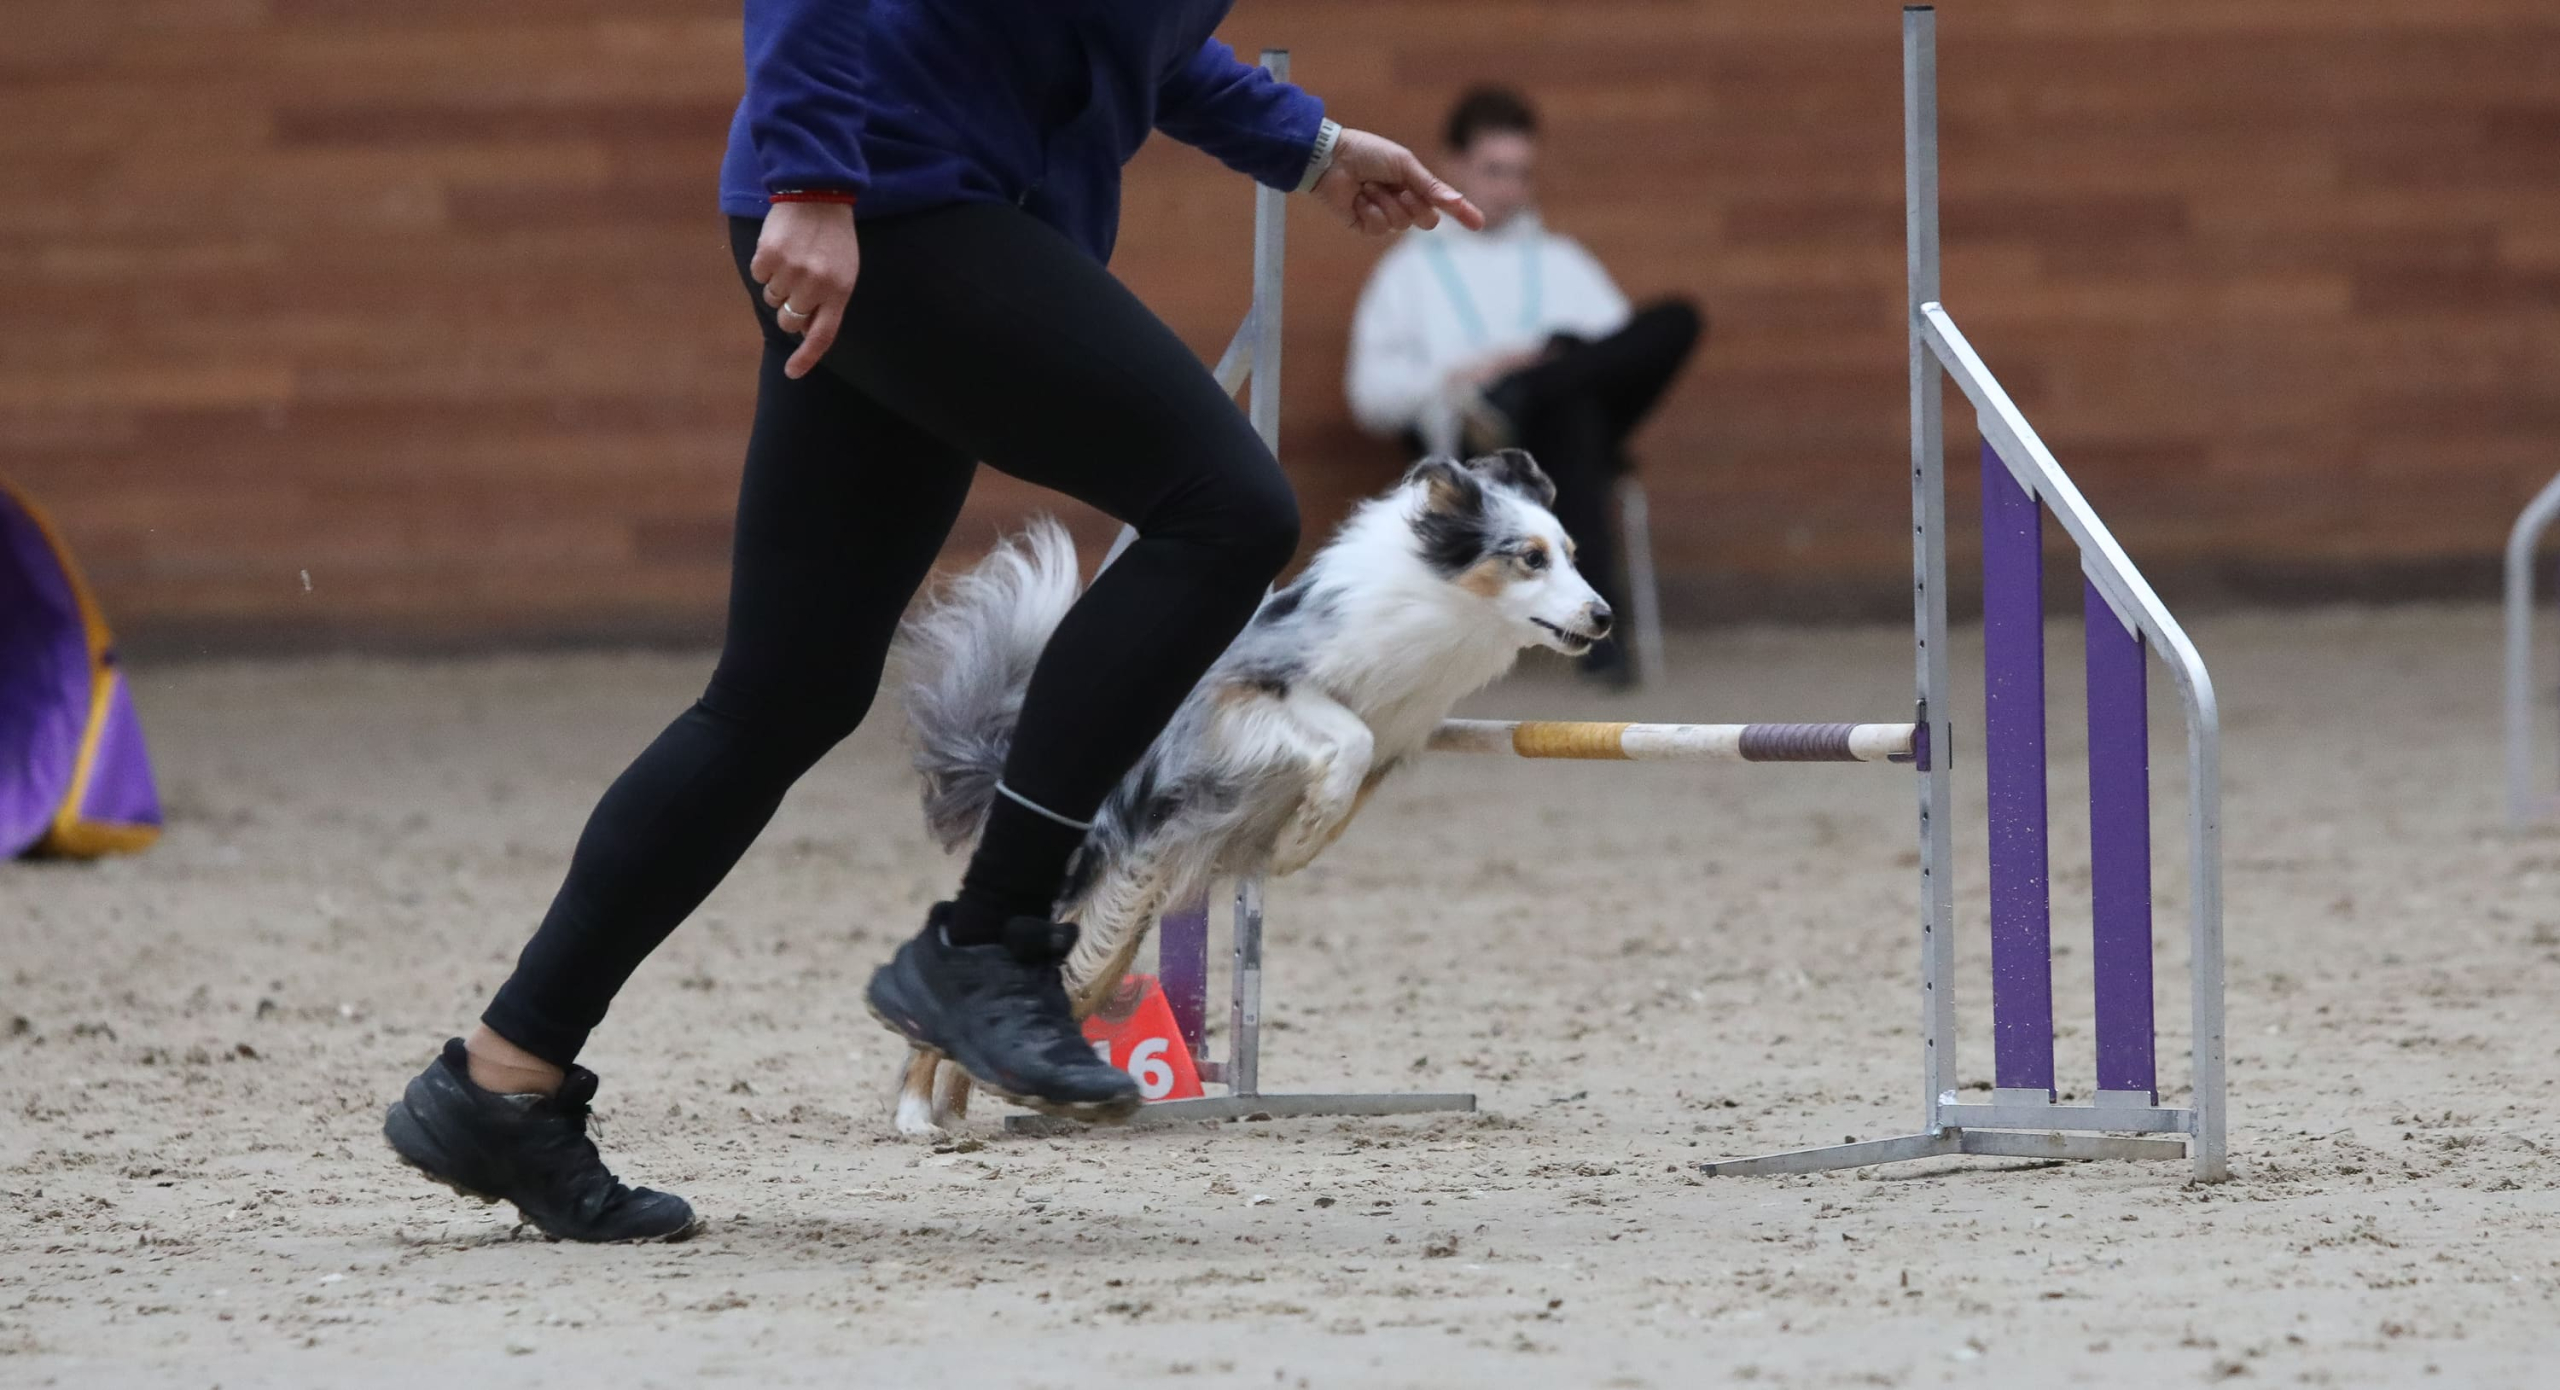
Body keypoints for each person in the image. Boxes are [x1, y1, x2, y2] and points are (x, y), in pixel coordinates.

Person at [380, 1, 1484, 1243]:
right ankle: (992, 938)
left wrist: (1314, 145)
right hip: (883, 193)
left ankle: (501, 1078)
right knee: (1224, 509)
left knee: (780, 694)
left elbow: (1129, 37)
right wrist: (808, 176)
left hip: (920, 203)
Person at [1345, 85, 1700, 685]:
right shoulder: (1409, 270)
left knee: (1673, 322)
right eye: (1494, 171)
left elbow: (1619, 357)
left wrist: (1540, 368)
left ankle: (1532, 386)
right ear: (1454, 167)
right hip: (1477, 444)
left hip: (1566, 420)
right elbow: (1369, 396)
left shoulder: (1562, 259)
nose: (1509, 189)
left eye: (1521, 174)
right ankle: (1601, 644)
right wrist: (1457, 375)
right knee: (1572, 414)